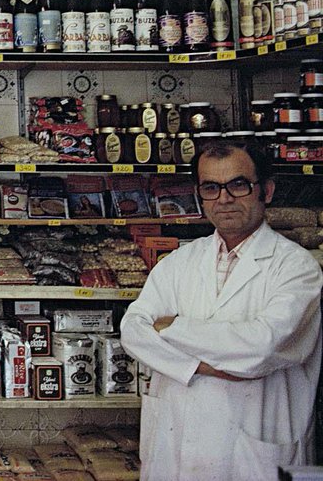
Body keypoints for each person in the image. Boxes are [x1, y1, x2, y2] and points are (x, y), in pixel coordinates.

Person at [120, 139, 321, 480]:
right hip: (178, 444)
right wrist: (198, 366)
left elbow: (261, 345)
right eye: (211, 187)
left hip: (254, 448)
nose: (224, 198)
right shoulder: (180, 261)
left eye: (238, 185)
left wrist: (171, 329)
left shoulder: (297, 268)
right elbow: (133, 331)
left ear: (266, 191)